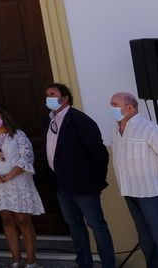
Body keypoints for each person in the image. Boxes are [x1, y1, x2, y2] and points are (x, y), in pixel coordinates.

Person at [46, 83, 115, 268]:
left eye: (52, 94)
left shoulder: (79, 119)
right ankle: (84, 262)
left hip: (84, 185)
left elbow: (100, 152)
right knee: (74, 224)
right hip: (62, 183)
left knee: (96, 225)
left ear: (65, 98)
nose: (48, 98)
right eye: (47, 95)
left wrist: (96, 179)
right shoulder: (51, 120)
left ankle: (108, 264)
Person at [0, 106, 44, 268]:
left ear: (4, 116)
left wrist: (10, 175)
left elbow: (26, 156)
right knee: (6, 218)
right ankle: (15, 259)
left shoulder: (18, 135)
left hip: (17, 181)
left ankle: (31, 260)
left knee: (22, 218)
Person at [110, 92, 158, 268]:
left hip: (151, 193)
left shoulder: (148, 128)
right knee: (145, 238)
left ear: (130, 108)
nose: (112, 109)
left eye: (115, 105)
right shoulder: (116, 130)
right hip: (130, 192)